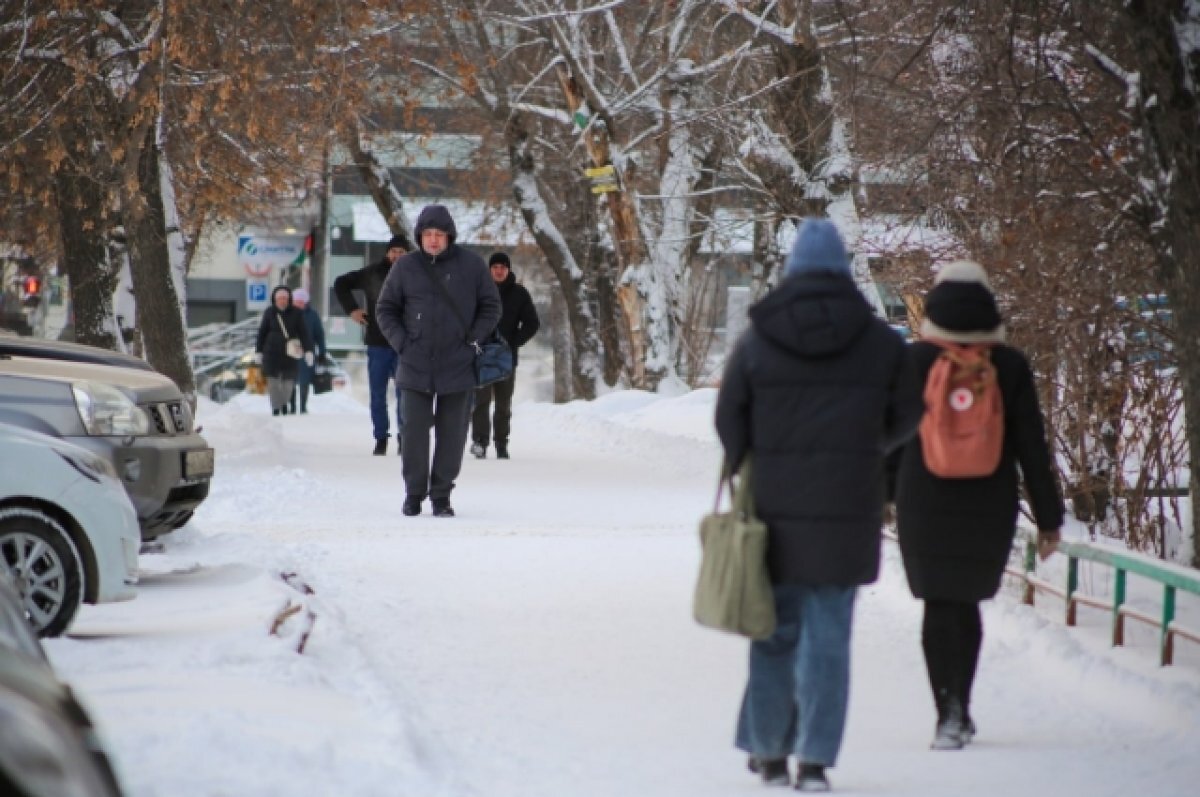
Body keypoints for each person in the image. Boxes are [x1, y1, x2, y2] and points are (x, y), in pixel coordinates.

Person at [714, 218, 922, 792]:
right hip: (849, 509)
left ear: (793, 269)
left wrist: (750, 456)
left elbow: (728, 416)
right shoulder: (882, 341)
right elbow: (908, 412)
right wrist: (869, 444)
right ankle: (815, 763)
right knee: (829, 639)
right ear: (845, 268)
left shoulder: (759, 337)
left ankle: (769, 754)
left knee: (774, 634)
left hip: (774, 511)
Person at [891, 260, 1063, 751]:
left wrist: (883, 495)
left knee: (936, 604)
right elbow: (1032, 446)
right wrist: (1049, 518)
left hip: (922, 500)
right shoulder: (1008, 365)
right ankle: (961, 708)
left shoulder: (912, 362)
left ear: (935, 305)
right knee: (964, 603)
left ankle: (946, 713)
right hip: (988, 503)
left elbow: (890, 437)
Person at [376, 204, 501, 518]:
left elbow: (491, 306)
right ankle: (414, 494)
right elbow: (385, 309)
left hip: (457, 364)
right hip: (414, 363)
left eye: (439, 234)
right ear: (420, 236)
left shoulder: (471, 266)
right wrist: (403, 343)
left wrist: (474, 337)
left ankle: (442, 496)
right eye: (427, 234)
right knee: (414, 432)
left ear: (449, 236)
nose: (433, 240)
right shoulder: (405, 267)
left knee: (453, 434)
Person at [334, 235, 408, 455]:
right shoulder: (372, 273)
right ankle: (381, 438)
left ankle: (405, 436)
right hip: (377, 341)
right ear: (387, 252)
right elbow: (341, 283)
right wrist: (352, 310)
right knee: (378, 394)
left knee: (406, 394)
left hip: (405, 344)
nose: (396, 256)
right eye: (393, 251)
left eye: (401, 252)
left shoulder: (415, 273)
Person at [469, 251, 540, 460]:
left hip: (506, 359)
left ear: (508, 270)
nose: (499, 271)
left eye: (503, 267)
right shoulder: (478, 292)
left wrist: (513, 343)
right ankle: (480, 442)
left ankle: (501, 443)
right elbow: (465, 320)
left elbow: (532, 323)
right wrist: (473, 340)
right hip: (481, 357)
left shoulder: (519, 294)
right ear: (489, 270)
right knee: (480, 402)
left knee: (503, 403)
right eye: (495, 267)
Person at [255, 286, 314, 417]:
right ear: (275, 300)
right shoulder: (269, 312)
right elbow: (262, 333)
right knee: (273, 383)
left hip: (290, 353)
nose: (282, 301)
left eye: (284, 298)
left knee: (288, 383)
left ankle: (284, 403)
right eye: (279, 298)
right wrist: (258, 351)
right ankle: (276, 407)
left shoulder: (297, 313)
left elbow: (304, 333)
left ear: (289, 299)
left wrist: (309, 351)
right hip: (271, 353)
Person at [289, 287, 326, 414]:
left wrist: (322, 352)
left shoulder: (312, 315)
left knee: (304, 379)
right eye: (296, 301)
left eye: (301, 301)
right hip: (290, 351)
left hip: (307, 352)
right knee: (290, 379)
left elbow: (319, 335)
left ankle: (303, 406)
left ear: (305, 302)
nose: (298, 304)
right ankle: (292, 406)